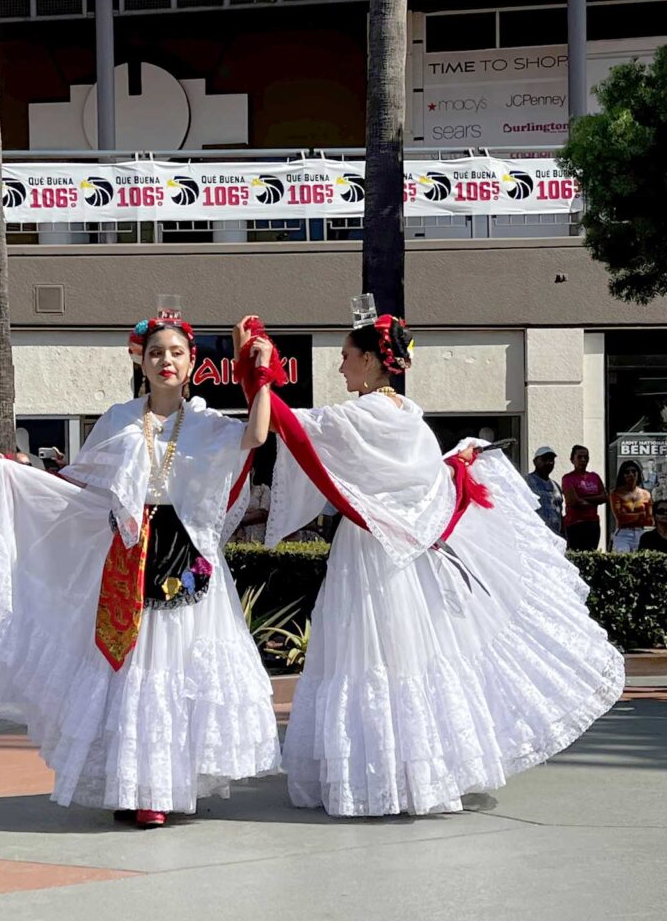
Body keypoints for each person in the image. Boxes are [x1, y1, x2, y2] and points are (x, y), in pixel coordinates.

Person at [0, 313, 279, 829]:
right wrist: (19, 473)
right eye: (157, 352)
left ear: (192, 361)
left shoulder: (205, 423)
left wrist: (261, 372)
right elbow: (82, 487)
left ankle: (162, 789)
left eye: (177, 352)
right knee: (129, 674)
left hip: (188, 562)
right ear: (142, 360)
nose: (166, 361)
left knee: (174, 671)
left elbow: (257, 436)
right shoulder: (118, 420)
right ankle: (130, 783)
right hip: (127, 560)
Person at [260, 309, 623, 818]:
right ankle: (414, 772)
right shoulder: (407, 412)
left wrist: (261, 375)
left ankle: (374, 774)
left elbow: (296, 430)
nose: (340, 368)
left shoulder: (366, 415)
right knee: (402, 654)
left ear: (368, 360)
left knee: (367, 653)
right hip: (398, 553)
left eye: (345, 357)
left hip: (370, 551)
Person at [562, 446, 607, 551]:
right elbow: (573, 501)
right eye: (579, 457)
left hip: (592, 524)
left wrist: (583, 499)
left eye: (586, 457)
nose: (583, 460)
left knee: (591, 554)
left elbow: (604, 497)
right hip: (575, 524)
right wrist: (594, 500)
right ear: (572, 459)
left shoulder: (594, 476)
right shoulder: (568, 478)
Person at [610, 460, 653, 552]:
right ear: (622, 475)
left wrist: (629, 516)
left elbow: (649, 519)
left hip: (641, 532)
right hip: (623, 533)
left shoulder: (646, 494)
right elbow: (620, 518)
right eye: (627, 472)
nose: (631, 474)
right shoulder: (616, 493)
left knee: (641, 562)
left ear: (638, 473)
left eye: (634, 471)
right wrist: (641, 515)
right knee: (622, 562)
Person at [524, 446, 563, 535]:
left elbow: (560, 513)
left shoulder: (556, 486)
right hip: (537, 535)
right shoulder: (526, 482)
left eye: (551, 460)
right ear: (535, 461)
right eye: (544, 459)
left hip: (556, 535)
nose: (548, 463)